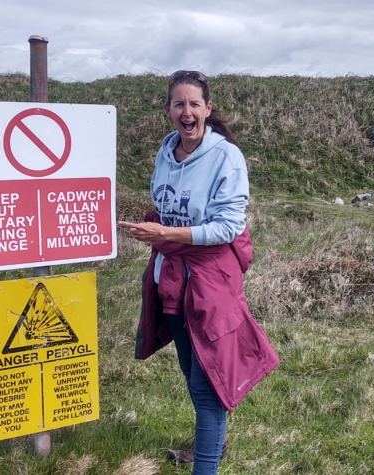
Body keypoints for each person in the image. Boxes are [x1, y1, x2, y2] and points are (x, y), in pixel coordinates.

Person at [118, 70, 279, 474]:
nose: (186, 112)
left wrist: (165, 232)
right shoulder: (166, 149)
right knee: (194, 376)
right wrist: (155, 230)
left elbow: (228, 227)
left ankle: (205, 463)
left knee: (207, 389)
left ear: (208, 109)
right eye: (178, 104)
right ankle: (214, 442)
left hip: (209, 286)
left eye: (194, 104)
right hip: (171, 282)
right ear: (168, 109)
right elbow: (164, 202)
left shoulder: (226, 157)